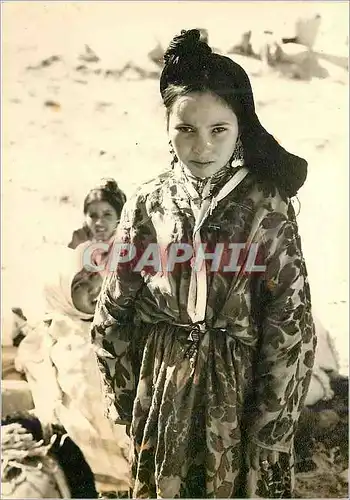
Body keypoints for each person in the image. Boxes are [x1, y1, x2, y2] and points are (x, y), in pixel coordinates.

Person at [91, 29, 316, 498]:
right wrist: (127, 392)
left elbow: (289, 318)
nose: (202, 146)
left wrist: (272, 421)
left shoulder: (264, 203)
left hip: (239, 388)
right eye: (186, 129)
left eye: (219, 130)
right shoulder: (149, 201)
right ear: (167, 128)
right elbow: (114, 307)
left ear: (240, 130)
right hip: (163, 384)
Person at [15, 247, 130, 498]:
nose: (93, 287)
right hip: (92, 453)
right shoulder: (58, 336)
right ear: (62, 295)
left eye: (93, 275)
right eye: (79, 284)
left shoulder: (121, 319)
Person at [68, 178, 127, 250]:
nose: (99, 222)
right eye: (93, 215)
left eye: (107, 215)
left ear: (119, 217)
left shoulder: (129, 248)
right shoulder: (80, 243)